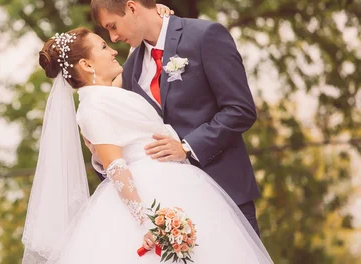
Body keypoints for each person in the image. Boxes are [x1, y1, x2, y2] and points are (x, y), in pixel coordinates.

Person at [21, 27, 272, 263]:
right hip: (149, 195)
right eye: (103, 47)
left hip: (178, 180)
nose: (112, 51)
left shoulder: (109, 94)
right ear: (87, 64)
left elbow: (128, 70)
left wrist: (148, 28)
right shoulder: (91, 108)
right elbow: (116, 167)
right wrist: (148, 223)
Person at [90, 0, 261, 234]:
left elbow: (240, 110)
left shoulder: (205, 36)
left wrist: (186, 147)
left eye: (113, 26)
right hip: (173, 208)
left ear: (132, 8)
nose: (113, 37)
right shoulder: (132, 67)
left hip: (226, 192)